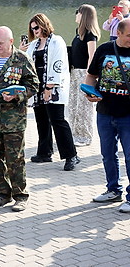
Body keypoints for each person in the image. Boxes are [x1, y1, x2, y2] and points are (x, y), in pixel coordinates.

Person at [0, 26, 39, 212]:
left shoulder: (21, 59)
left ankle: (20, 195)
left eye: (1, 43)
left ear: (11, 42)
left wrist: (17, 96)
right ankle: (3, 193)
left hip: (13, 120)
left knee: (15, 159)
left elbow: (34, 84)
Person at [20, 13, 80, 171]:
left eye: (37, 27)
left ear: (44, 25)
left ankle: (71, 155)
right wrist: (20, 50)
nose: (35, 31)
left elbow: (58, 65)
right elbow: (25, 62)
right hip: (37, 87)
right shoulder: (34, 44)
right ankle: (44, 152)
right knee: (42, 120)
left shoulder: (56, 41)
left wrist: (49, 88)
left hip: (53, 87)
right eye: (32, 29)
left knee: (57, 120)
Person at [84, 18, 130, 213]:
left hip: (128, 115)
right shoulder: (104, 49)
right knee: (107, 155)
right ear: (118, 33)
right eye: (129, 35)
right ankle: (113, 190)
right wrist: (89, 92)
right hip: (104, 112)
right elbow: (91, 75)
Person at [68, 4, 101, 146]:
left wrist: (89, 76)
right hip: (75, 72)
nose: (76, 15)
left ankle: (84, 136)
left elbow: (92, 55)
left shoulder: (90, 34)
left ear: (84, 15)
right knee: (73, 104)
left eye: (78, 12)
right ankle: (74, 133)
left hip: (84, 72)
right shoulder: (78, 33)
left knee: (83, 106)